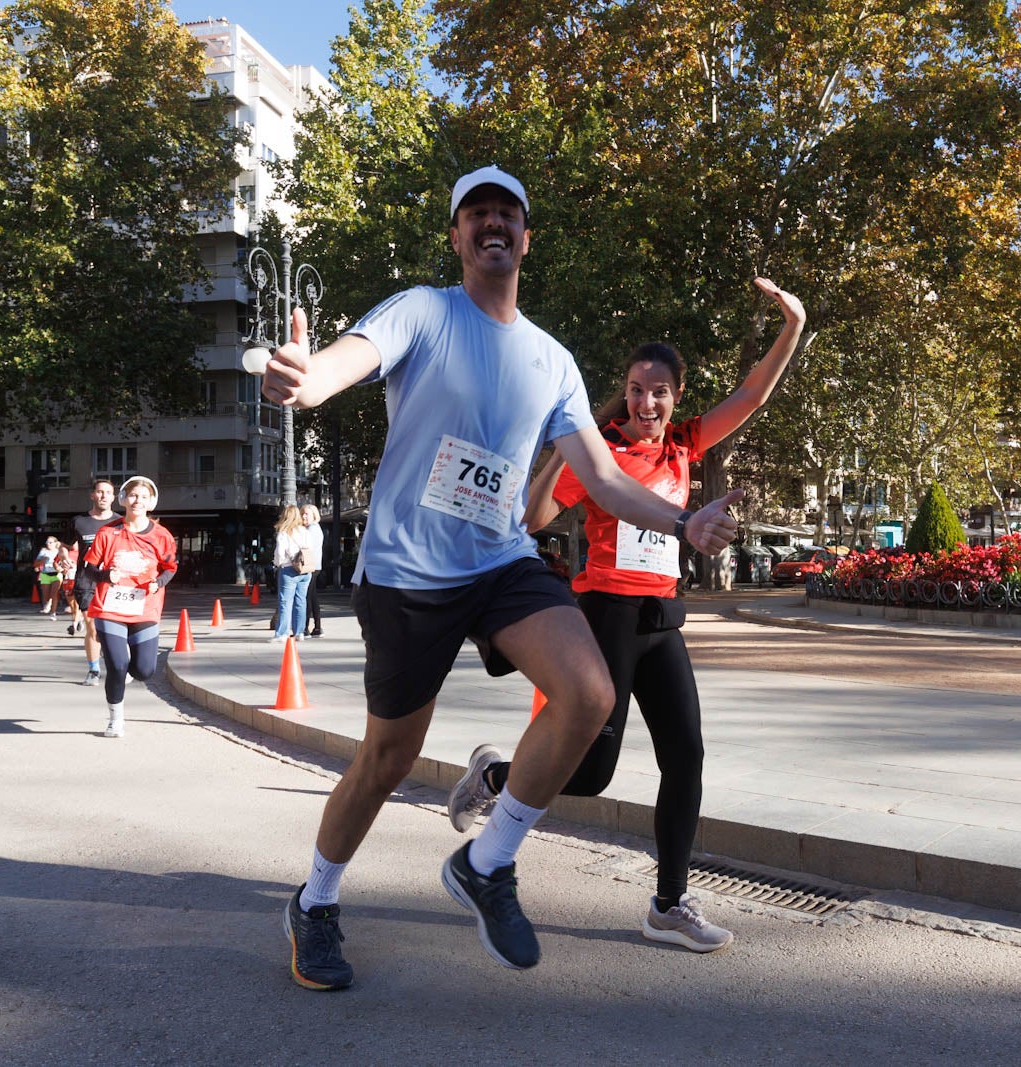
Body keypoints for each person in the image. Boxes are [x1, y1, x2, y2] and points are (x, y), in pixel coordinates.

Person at [259, 165, 742, 990]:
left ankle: (488, 863)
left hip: (500, 563)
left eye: (506, 215)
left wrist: (682, 523)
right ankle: (316, 900)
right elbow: (345, 360)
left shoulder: (552, 360)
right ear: (457, 237)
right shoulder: (424, 310)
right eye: (476, 214)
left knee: (589, 694)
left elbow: (604, 474)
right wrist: (307, 379)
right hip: (408, 573)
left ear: (525, 237)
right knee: (386, 757)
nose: (492, 225)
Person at [448, 277, 805, 953]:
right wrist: (558, 450)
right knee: (590, 773)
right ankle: (495, 776)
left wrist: (794, 324)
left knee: (687, 756)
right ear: (627, 390)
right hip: (604, 614)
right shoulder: (601, 450)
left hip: (661, 621)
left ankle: (668, 905)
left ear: (676, 396)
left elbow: (752, 395)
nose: (646, 401)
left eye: (660, 391)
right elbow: (535, 516)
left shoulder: (685, 444)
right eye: (637, 389)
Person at [78, 476, 177, 738]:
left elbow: (170, 568)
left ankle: (130, 673)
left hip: (145, 607)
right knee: (118, 665)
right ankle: (115, 720)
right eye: (133, 495)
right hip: (109, 607)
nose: (138, 501)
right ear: (124, 499)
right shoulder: (108, 532)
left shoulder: (161, 536)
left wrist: (158, 582)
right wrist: (103, 576)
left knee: (144, 670)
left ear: (151, 502)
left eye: (144, 497)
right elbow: (88, 568)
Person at [70, 479, 119, 684]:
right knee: (93, 627)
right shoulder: (79, 522)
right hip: (86, 580)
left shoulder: (120, 522)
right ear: (92, 495)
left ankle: (117, 663)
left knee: (112, 628)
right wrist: (64, 558)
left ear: (114, 497)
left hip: (113, 582)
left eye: (108, 492)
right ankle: (94, 670)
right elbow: (66, 546)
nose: (103, 496)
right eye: (99, 492)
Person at [271, 505, 311, 643]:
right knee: (301, 601)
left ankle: (282, 633)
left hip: (289, 569)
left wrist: (277, 563)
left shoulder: (284, 532)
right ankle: (299, 632)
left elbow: (280, 554)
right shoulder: (305, 531)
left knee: (285, 602)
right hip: (305, 569)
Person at [303, 504, 325, 638]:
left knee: (306, 597)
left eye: (307, 514)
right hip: (315, 565)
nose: (304, 516)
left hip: (310, 566)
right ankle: (317, 627)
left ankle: (305, 628)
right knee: (312, 596)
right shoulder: (315, 528)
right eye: (303, 514)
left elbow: (306, 546)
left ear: (314, 516)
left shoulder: (312, 529)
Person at [33, 535, 63, 616]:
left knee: (54, 594)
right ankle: (48, 603)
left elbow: (64, 561)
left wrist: (61, 568)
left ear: (55, 543)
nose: (48, 544)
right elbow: (35, 564)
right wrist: (42, 561)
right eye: (47, 542)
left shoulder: (59, 551)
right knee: (46, 595)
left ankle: (53, 613)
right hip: (45, 574)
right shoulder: (43, 551)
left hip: (56, 574)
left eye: (50, 542)